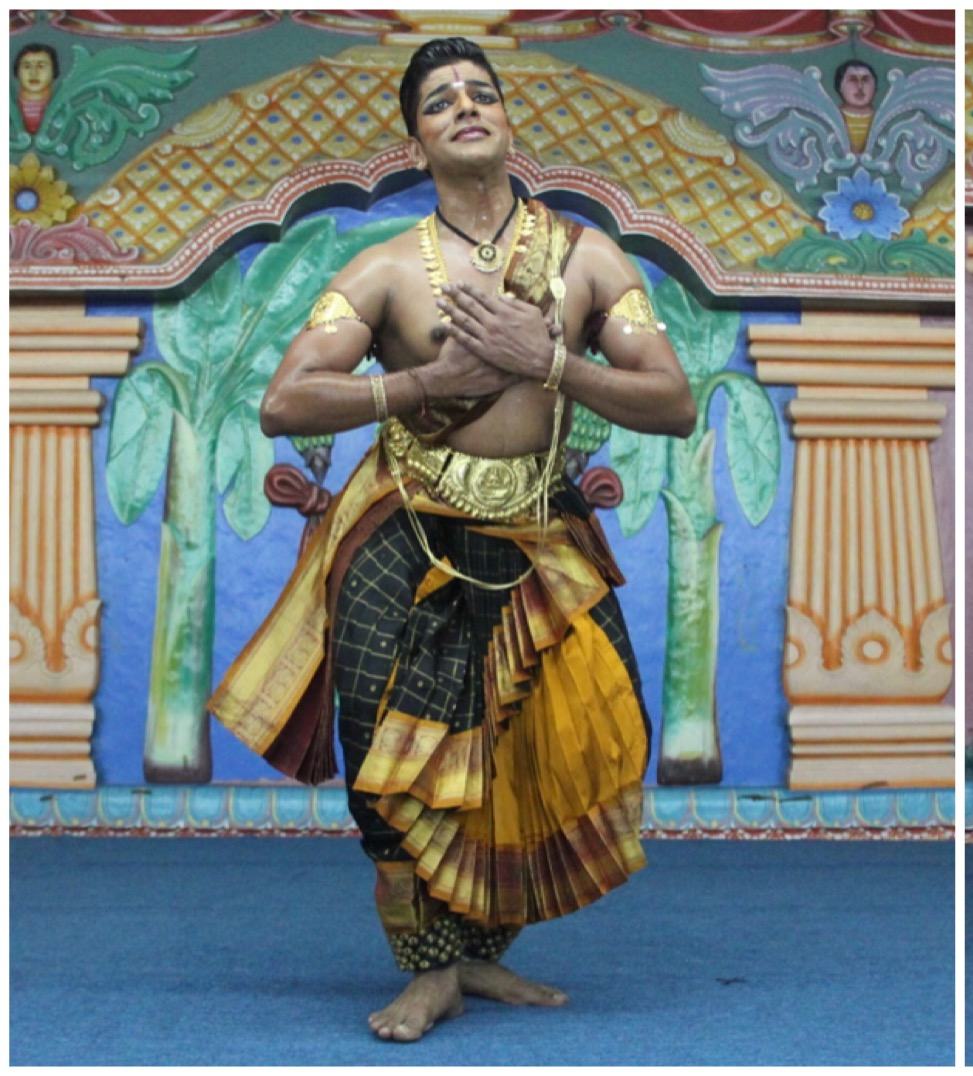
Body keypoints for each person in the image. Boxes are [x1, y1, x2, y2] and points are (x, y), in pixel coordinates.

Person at [209, 36, 696, 1043]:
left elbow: (673, 403)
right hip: (406, 525)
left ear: (508, 119)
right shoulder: (386, 270)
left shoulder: (587, 259)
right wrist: (423, 384)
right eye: (440, 101)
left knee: (568, 737)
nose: (466, 107)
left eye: (482, 92)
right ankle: (428, 967)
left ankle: (480, 948)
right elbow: (285, 401)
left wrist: (547, 359)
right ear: (415, 142)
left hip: (539, 526)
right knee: (386, 749)